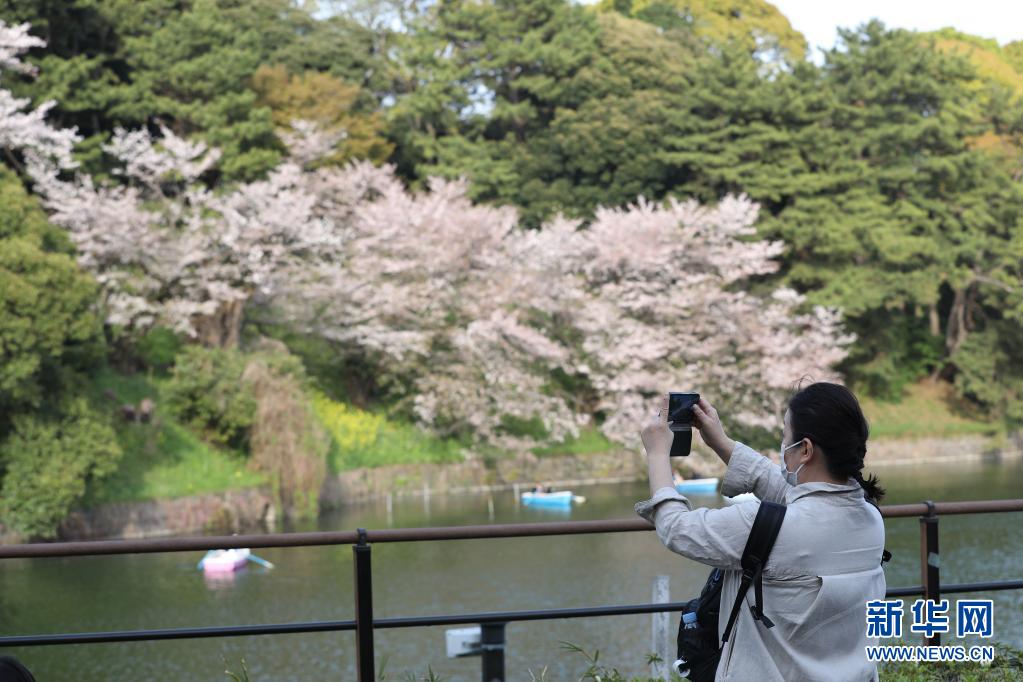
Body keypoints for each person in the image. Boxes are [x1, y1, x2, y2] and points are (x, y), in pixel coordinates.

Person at [637, 382, 886, 682]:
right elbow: (794, 493)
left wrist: (657, 454)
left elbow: (677, 528)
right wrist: (720, 441)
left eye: (785, 435)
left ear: (805, 449)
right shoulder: (870, 518)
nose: (783, 446)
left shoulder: (764, 525)